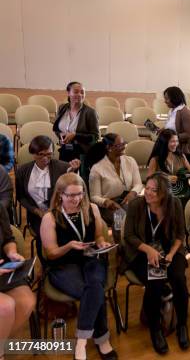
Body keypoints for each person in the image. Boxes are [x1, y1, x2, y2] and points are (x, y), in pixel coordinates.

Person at [40, 173, 117, 360]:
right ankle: (102, 340)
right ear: (60, 195)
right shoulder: (50, 218)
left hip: (90, 257)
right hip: (63, 264)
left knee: (94, 286)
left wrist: (101, 243)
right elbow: (51, 253)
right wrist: (68, 246)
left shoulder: (91, 208)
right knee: (94, 290)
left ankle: (81, 342)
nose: (76, 199)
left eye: (80, 194)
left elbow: (98, 236)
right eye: (70, 195)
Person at [123, 173, 190, 354]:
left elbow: (180, 234)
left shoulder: (174, 204)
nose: (149, 193)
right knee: (156, 279)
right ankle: (155, 328)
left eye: (155, 190)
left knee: (178, 278)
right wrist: (149, 250)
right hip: (141, 251)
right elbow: (129, 236)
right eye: (148, 188)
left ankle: (182, 324)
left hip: (169, 248)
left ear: (164, 194)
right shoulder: (136, 205)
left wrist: (170, 254)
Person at [15, 135, 80, 260]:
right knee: (43, 235)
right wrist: (37, 211)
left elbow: (72, 188)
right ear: (32, 153)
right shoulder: (22, 171)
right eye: (40, 154)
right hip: (36, 214)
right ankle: (46, 263)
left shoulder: (63, 167)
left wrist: (74, 171)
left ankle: (66, 261)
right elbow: (21, 197)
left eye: (49, 154)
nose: (45, 158)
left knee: (65, 232)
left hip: (60, 211)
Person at [0, 204, 36, 360]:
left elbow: (8, 239)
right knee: (6, 307)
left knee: (27, 301)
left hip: (3, 269)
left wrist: (12, 252)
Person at [88, 133, 143, 228]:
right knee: (121, 220)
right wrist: (106, 202)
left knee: (143, 215)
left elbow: (138, 184)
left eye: (124, 144)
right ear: (109, 148)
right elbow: (94, 196)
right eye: (120, 145)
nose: (124, 147)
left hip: (128, 200)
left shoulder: (130, 161)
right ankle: (119, 241)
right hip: (109, 206)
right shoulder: (97, 168)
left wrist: (133, 192)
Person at [53, 81, 99, 164]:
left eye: (82, 92)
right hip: (64, 149)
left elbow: (95, 137)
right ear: (68, 93)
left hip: (82, 153)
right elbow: (56, 128)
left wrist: (75, 135)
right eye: (76, 92)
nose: (80, 94)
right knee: (64, 175)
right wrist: (60, 135)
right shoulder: (62, 108)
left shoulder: (90, 112)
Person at [147, 129, 190, 206]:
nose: (176, 144)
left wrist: (183, 175)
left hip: (180, 190)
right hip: (163, 191)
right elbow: (149, 179)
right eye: (172, 141)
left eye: (177, 141)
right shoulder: (155, 160)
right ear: (164, 143)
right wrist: (165, 178)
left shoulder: (181, 156)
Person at [163, 86, 190, 165]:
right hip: (174, 147)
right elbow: (172, 128)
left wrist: (172, 138)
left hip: (185, 151)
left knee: (180, 176)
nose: (165, 101)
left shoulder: (186, 112)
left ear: (175, 98)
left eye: (167, 99)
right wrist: (163, 130)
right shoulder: (172, 110)